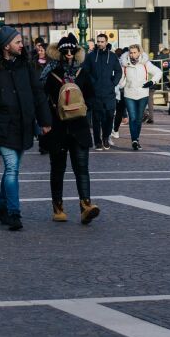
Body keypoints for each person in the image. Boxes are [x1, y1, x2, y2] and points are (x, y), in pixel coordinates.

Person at [0, 26, 51, 230]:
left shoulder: (26, 65)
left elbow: (38, 93)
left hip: (23, 124)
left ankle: (1, 208)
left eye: (21, 42)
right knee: (12, 168)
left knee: (11, 170)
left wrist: (45, 120)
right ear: (7, 45)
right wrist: (1, 100)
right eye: (17, 42)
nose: (21, 45)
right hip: (2, 125)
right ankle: (14, 213)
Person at [42, 35, 100, 224]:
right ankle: (58, 207)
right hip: (57, 127)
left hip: (79, 126)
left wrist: (84, 105)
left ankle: (86, 206)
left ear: (76, 53)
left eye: (72, 51)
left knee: (82, 169)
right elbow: (41, 98)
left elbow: (92, 95)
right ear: (58, 53)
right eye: (65, 51)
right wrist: (44, 121)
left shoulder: (82, 72)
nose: (68, 55)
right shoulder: (50, 72)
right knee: (58, 169)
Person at [78, 33, 122, 151]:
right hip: (95, 93)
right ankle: (97, 141)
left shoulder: (112, 56)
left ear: (106, 42)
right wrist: (93, 82)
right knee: (96, 119)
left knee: (109, 117)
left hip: (109, 93)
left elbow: (118, 71)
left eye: (102, 41)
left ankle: (106, 138)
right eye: (98, 41)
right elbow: (85, 71)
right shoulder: (91, 56)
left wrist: (113, 82)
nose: (100, 43)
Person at [118, 43, 160, 149]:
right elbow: (121, 80)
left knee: (138, 118)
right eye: (130, 53)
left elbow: (158, 72)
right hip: (129, 93)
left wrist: (152, 82)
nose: (132, 55)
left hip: (143, 93)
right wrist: (121, 84)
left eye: (134, 52)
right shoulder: (124, 64)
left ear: (139, 53)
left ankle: (136, 138)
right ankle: (134, 141)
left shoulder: (145, 63)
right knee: (132, 117)